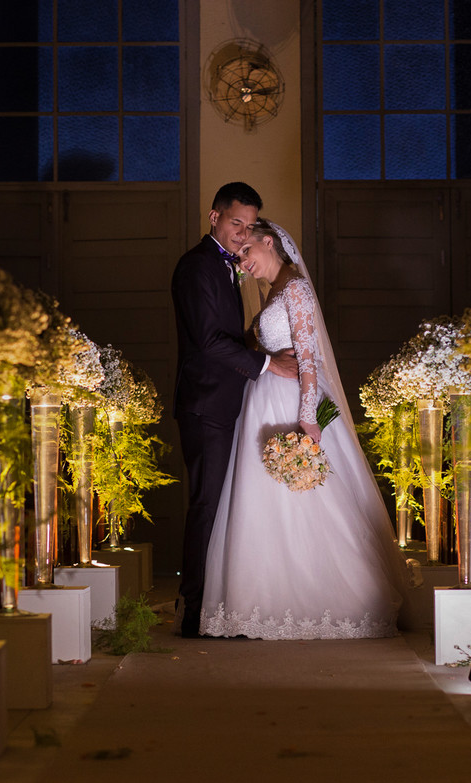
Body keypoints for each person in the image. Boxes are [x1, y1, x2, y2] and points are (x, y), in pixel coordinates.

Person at [200, 219, 408, 640]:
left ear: (269, 242)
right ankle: (262, 599)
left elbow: (309, 360)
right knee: (261, 500)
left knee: (306, 497)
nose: (242, 264)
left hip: (292, 402)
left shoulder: (295, 289)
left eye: (246, 254)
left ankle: (333, 599)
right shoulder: (273, 290)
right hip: (263, 399)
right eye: (237, 258)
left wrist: (309, 421)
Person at [171, 183, 297, 638]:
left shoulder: (231, 268)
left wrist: (257, 341)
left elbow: (227, 333)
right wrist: (267, 362)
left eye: (248, 226)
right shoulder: (196, 267)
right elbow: (206, 341)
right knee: (207, 503)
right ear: (214, 217)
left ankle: (220, 604)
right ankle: (193, 612)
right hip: (205, 404)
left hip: (231, 401)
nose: (241, 234)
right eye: (234, 223)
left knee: (226, 505)